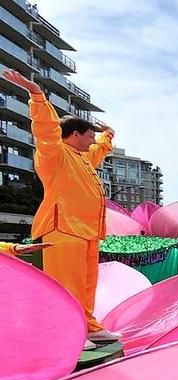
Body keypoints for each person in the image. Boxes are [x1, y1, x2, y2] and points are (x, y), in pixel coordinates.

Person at [3, 69, 118, 343]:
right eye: (89, 135)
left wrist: (107, 133)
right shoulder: (54, 154)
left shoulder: (82, 157)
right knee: (68, 285)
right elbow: (46, 131)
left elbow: (101, 147)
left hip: (88, 232)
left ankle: (89, 326)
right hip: (63, 228)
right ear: (75, 134)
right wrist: (36, 96)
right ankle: (69, 331)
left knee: (87, 285)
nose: (93, 140)